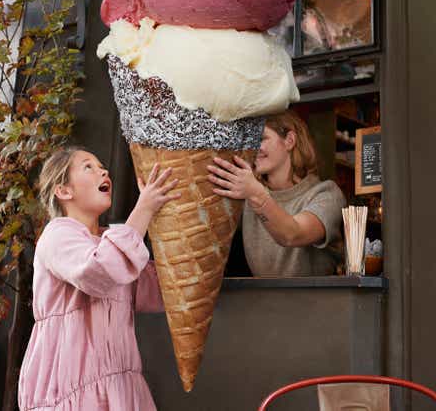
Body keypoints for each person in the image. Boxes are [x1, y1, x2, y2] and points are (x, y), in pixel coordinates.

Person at [18, 146, 179, 411]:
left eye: (102, 165)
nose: (103, 171)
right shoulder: (57, 235)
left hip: (119, 385)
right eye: (88, 167)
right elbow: (100, 271)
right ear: (64, 191)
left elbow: (161, 292)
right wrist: (144, 210)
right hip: (71, 387)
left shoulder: (112, 243)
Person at [207, 110, 346, 277]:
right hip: (261, 301)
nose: (252, 147)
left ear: (289, 141)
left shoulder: (327, 194)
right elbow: (206, 234)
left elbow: (292, 235)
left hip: (313, 302)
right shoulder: (248, 194)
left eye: (261, 138)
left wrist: (255, 194)